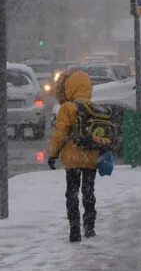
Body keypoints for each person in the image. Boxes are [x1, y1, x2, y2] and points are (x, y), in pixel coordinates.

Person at [44, 68, 105, 243]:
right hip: (91, 159)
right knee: (89, 193)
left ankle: (74, 230)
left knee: (72, 194)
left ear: (70, 87)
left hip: (73, 161)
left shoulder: (68, 108)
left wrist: (53, 154)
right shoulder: (94, 108)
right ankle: (90, 227)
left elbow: (60, 134)